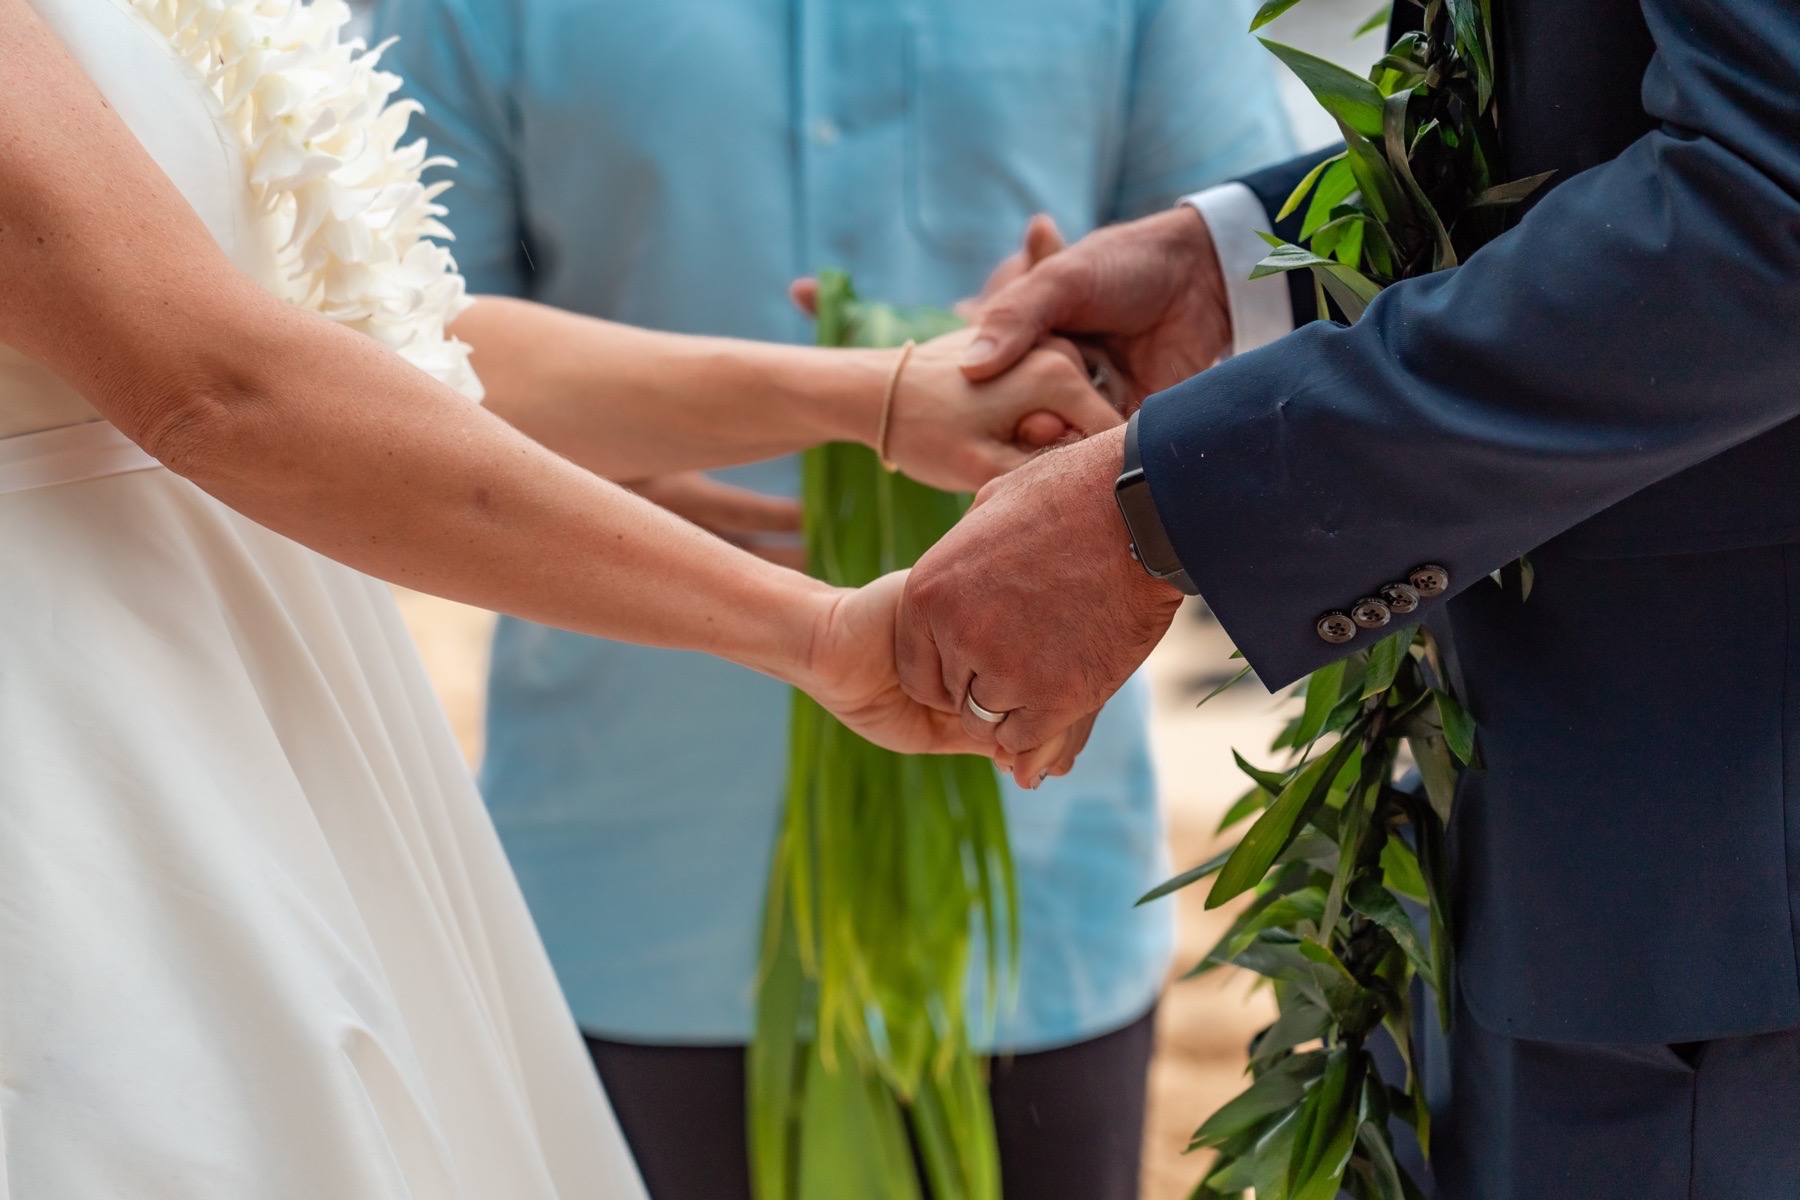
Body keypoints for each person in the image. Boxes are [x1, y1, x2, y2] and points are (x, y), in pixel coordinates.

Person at [0, 0, 1110, 1193]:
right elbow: (222, 388)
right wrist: (819, 631)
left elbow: (391, 347)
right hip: (86, 760)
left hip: (291, 749)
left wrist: (882, 396)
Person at [373, 1, 1293, 1196]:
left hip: (1035, 879)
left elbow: (1265, 309)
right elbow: (391, 358)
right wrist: (618, 476)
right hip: (626, 874)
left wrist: (1100, 391)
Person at [893, 1, 1800, 1196]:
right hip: (1531, 849)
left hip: (1711, 905)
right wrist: (1245, 269)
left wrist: (1167, 516)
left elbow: (1765, 203)